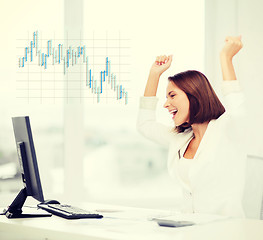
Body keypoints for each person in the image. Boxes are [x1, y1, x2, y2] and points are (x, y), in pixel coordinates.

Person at [137, 36, 247, 218]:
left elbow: (238, 108)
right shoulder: (180, 138)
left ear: (194, 95)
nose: (166, 104)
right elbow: (144, 125)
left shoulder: (227, 130)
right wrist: (154, 75)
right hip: (190, 228)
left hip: (227, 231)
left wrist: (226, 59)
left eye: (172, 96)